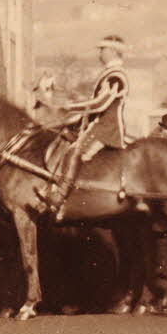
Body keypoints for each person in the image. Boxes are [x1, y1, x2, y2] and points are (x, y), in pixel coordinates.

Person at [43, 36, 130, 215]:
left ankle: (59, 196)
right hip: (99, 125)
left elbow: (101, 104)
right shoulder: (109, 74)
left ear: (113, 51)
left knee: (74, 150)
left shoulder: (116, 76)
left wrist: (69, 107)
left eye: (102, 49)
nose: (99, 53)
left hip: (107, 128)